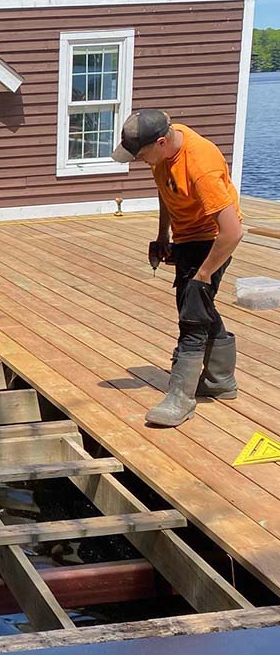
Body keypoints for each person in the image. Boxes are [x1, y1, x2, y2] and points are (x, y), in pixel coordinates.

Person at [112, 109, 243, 427]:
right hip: (186, 236)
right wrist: (163, 235)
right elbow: (166, 190)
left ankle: (181, 398)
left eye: (140, 155)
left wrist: (204, 274)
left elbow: (232, 232)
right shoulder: (164, 151)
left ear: (160, 142)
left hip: (213, 239)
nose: (138, 160)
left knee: (193, 313)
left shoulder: (200, 164)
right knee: (198, 304)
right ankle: (221, 381)